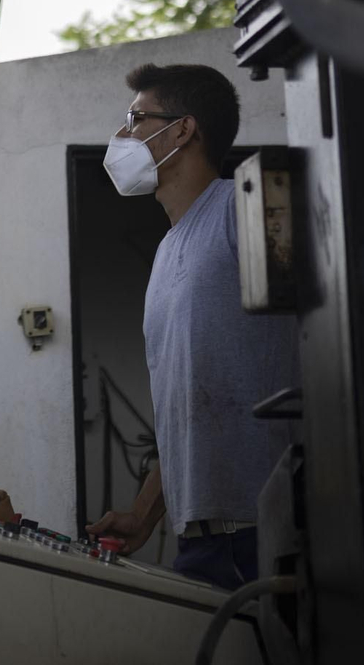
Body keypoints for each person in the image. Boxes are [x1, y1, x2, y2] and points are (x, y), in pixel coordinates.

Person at [86, 63, 297, 591]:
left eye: (135, 118)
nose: (121, 136)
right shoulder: (166, 252)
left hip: (266, 532)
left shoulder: (241, 211)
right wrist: (143, 514)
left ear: (182, 129)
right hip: (200, 537)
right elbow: (186, 407)